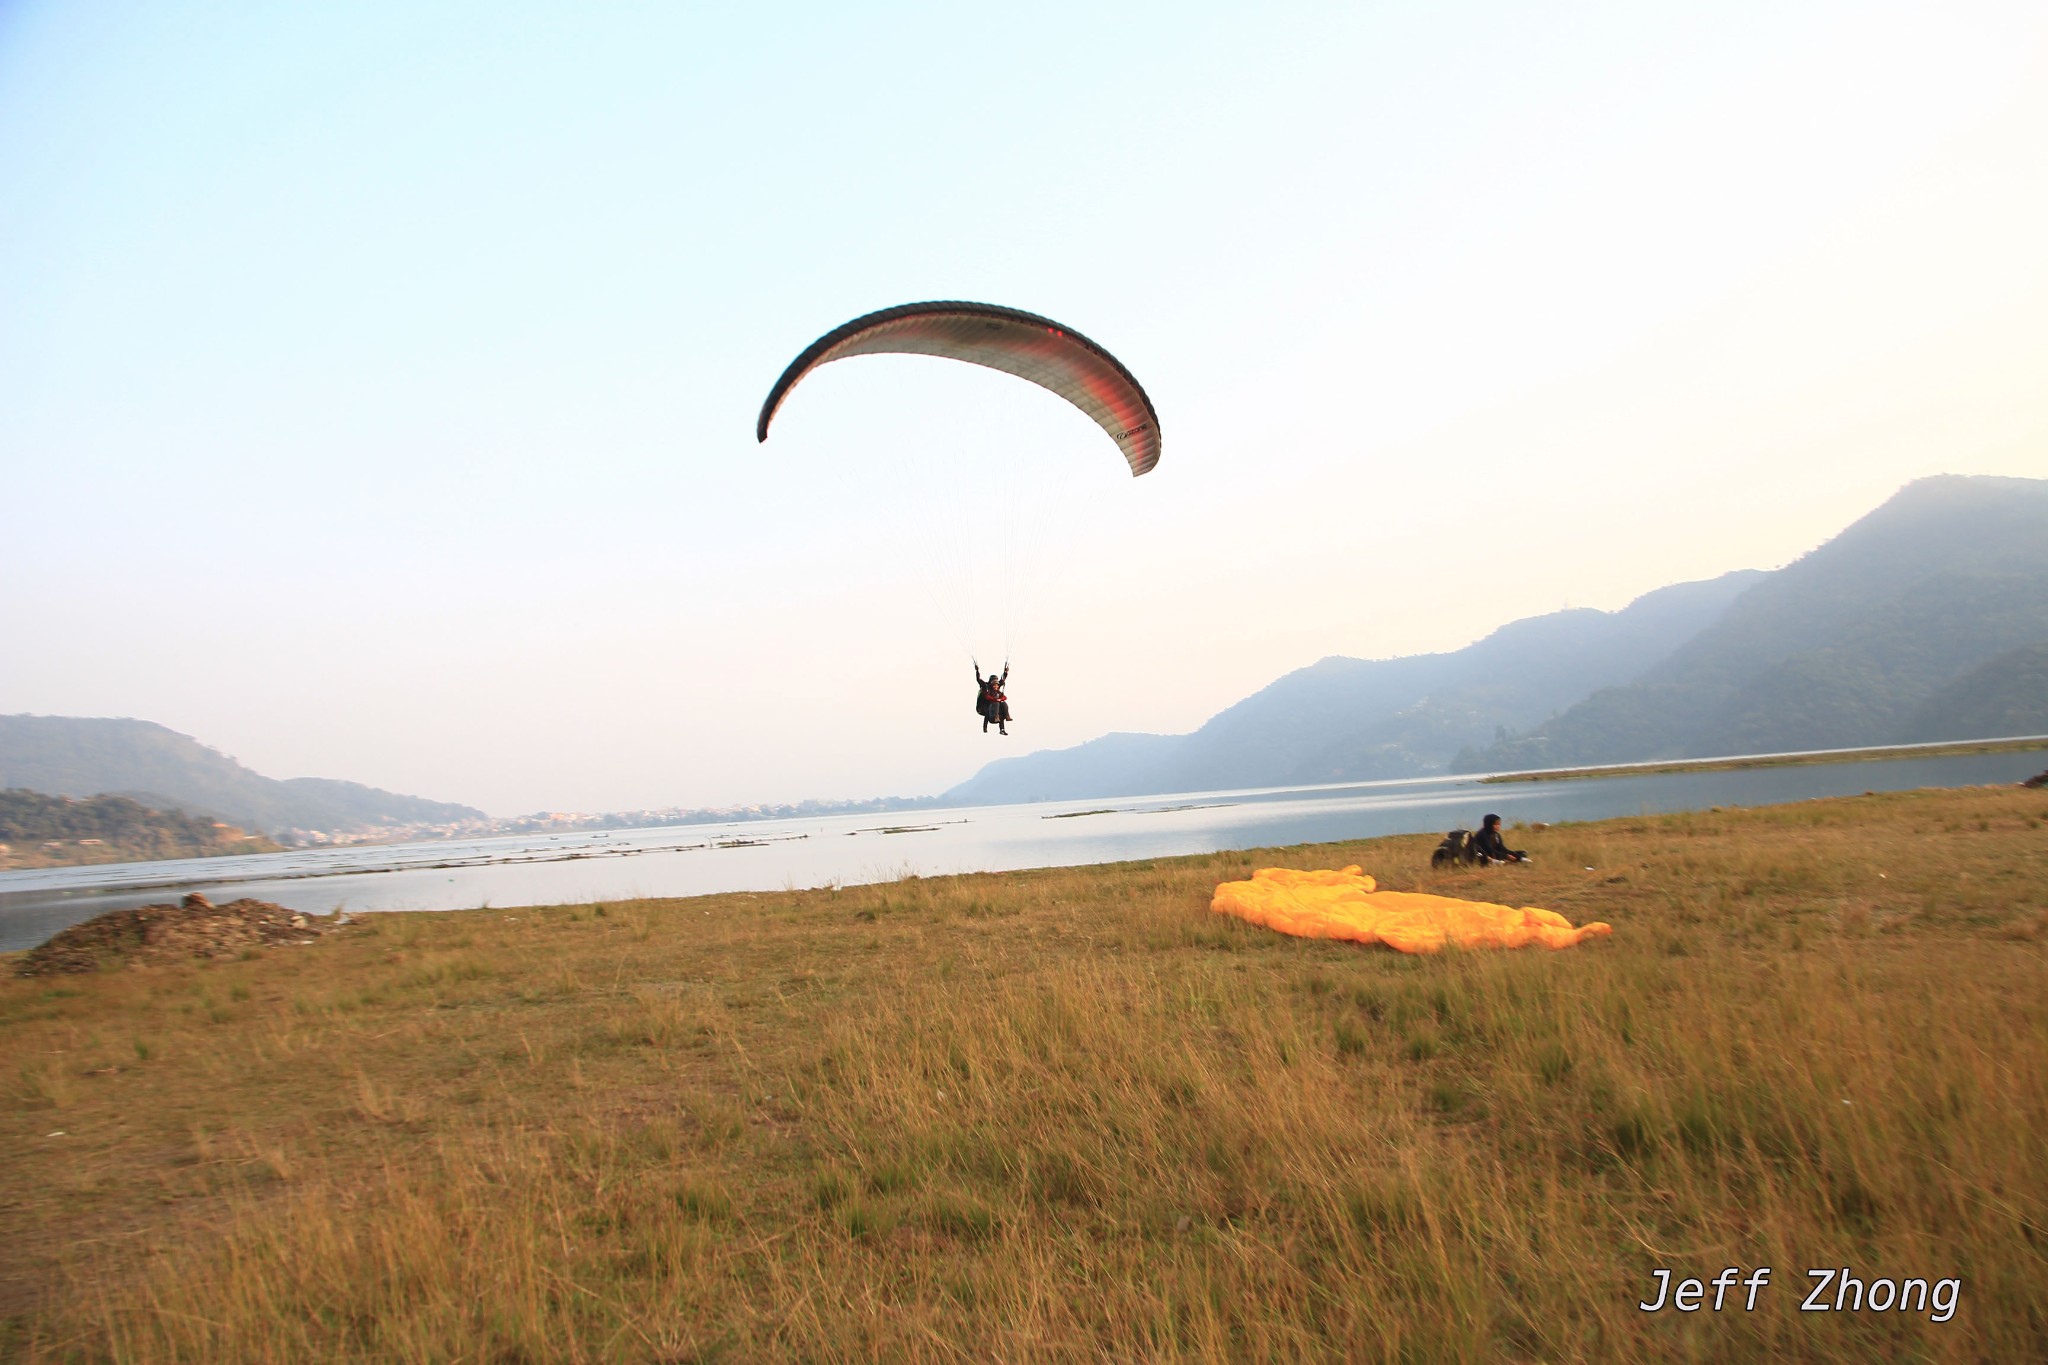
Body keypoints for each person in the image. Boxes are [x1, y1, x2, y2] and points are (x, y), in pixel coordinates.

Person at [974, 662, 1012, 735]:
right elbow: (978, 679)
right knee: (987, 712)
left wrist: (1005, 672)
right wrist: (977, 671)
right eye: (994, 682)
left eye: (997, 682)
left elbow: (1003, 680)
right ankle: (985, 727)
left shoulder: (996, 686)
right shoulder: (986, 686)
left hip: (994, 703)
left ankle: (1003, 725)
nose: (996, 684)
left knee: (1002, 708)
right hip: (985, 703)